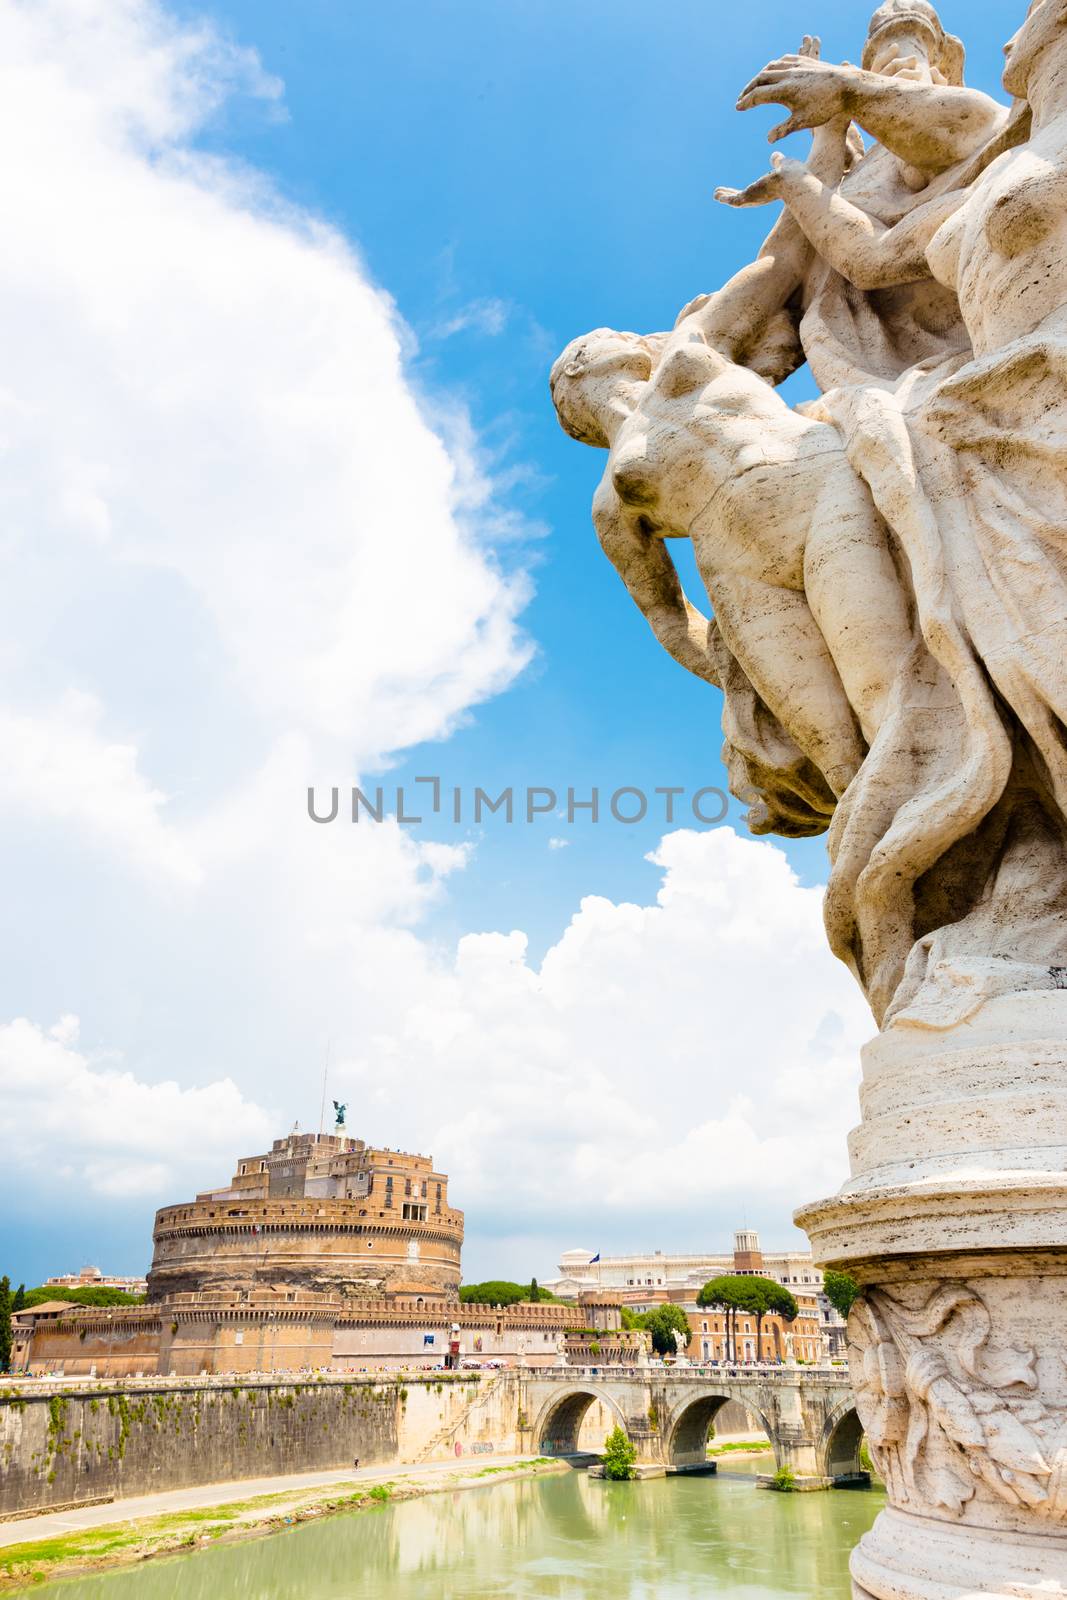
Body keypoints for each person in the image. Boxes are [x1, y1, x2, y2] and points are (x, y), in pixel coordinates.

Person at [706, 0, 1067, 1023]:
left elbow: (945, 122)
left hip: (1027, 411)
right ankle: (1019, 881)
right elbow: (866, 261)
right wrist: (805, 175)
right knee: (984, 682)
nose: (1005, 43)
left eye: (1026, 20)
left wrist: (854, 95)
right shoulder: (1001, 165)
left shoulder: (992, 134)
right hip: (969, 427)